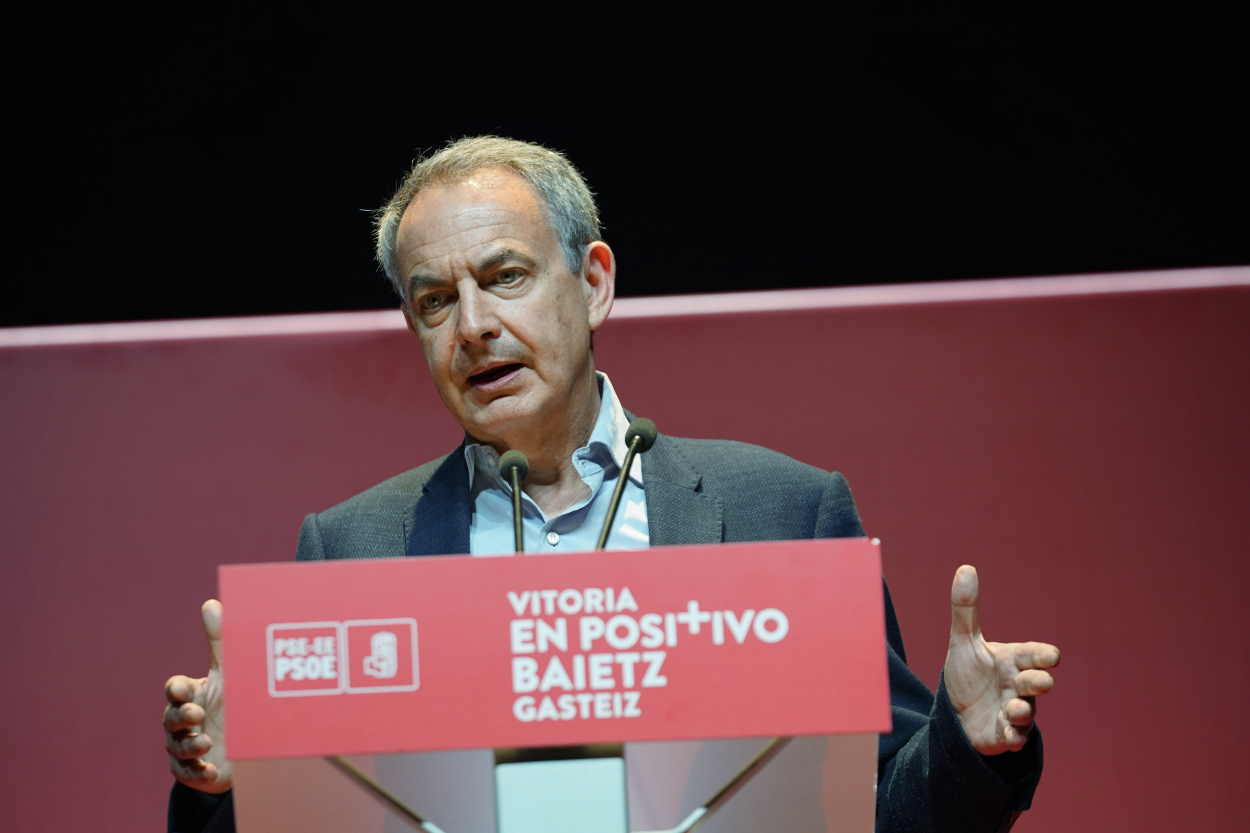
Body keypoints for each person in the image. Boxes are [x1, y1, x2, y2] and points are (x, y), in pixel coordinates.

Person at [163, 136, 1060, 833]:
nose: (473, 325)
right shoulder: (351, 548)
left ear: (592, 283)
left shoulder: (781, 512)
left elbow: (883, 812)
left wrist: (966, 738)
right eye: (435, 301)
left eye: (505, 276)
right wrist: (227, 784)